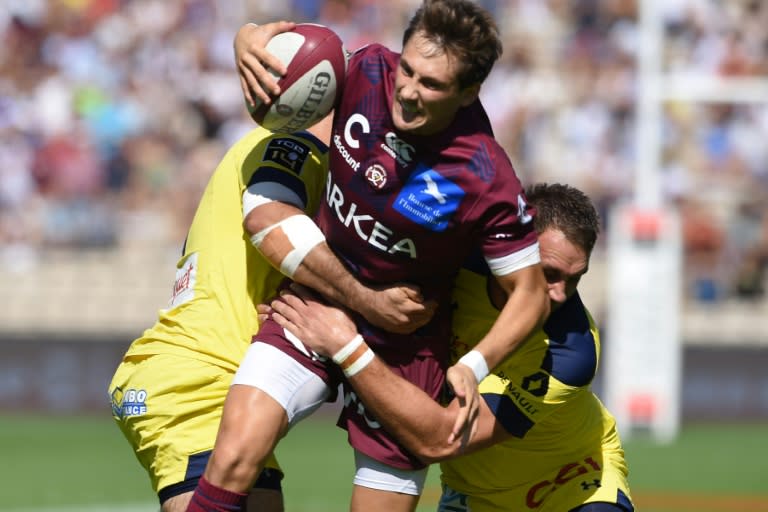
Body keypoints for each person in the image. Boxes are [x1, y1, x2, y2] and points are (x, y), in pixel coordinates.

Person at [186, 1, 550, 511]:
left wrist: (472, 365)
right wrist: (246, 39)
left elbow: (531, 295)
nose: (408, 90)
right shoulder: (365, 68)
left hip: (404, 341)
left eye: (432, 84)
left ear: (469, 92)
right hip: (317, 303)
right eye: (409, 69)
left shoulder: (484, 173)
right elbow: (283, 53)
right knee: (232, 458)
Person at [108, 114, 434, 512]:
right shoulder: (294, 146)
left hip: (214, 379)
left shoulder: (318, 164)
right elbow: (267, 222)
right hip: (194, 379)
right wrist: (367, 301)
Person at [269, 183, 635, 512]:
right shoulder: (456, 263)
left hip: (571, 487)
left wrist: (343, 345)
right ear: (517, 247)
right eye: (550, 273)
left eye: (575, 279)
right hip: (473, 497)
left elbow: (440, 439)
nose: (559, 293)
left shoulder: (572, 350)